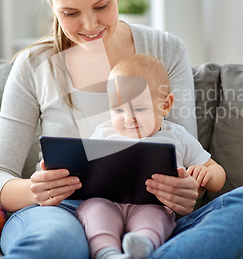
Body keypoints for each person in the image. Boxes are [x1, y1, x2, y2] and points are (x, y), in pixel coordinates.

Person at [0, 0, 243, 258]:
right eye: (70, 13)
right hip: (62, 213)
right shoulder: (33, 66)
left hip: (153, 218)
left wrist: (186, 192)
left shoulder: (164, 50)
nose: (89, 24)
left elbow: (182, 148)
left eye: (101, 5)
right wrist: (34, 191)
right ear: (49, 2)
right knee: (55, 243)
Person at [77, 54, 226, 259]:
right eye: (118, 109)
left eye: (140, 108)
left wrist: (206, 173)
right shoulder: (104, 134)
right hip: (107, 202)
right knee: (94, 211)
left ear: (165, 105)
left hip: (153, 205)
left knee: (155, 218)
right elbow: (82, 169)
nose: (129, 118)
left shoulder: (177, 135)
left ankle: (142, 248)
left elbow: (218, 173)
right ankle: (107, 253)